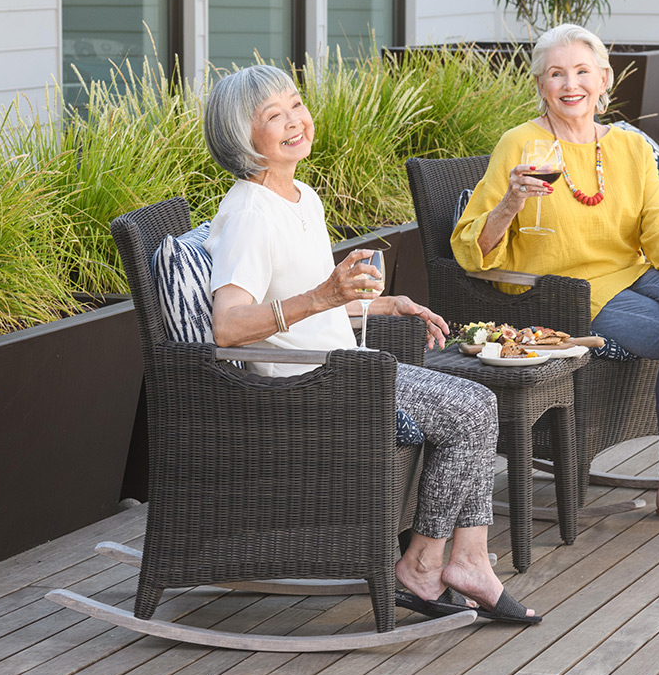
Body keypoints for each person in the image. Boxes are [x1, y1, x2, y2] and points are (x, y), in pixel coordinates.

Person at [202, 64, 538, 624]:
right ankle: (432, 565)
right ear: (242, 138)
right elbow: (228, 326)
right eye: (273, 116)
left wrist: (384, 304)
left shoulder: (300, 196)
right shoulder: (248, 214)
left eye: (295, 104)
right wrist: (323, 294)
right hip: (306, 388)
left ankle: (460, 559)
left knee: (474, 403)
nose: (294, 121)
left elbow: (311, 299)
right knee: (473, 406)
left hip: (343, 367)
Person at [451, 23, 659, 527]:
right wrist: (511, 200)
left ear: (603, 80)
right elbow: (472, 250)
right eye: (556, 74)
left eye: (581, 71)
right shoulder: (521, 145)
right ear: (540, 86)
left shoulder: (629, 147)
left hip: (633, 270)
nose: (569, 84)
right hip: (568, 290)